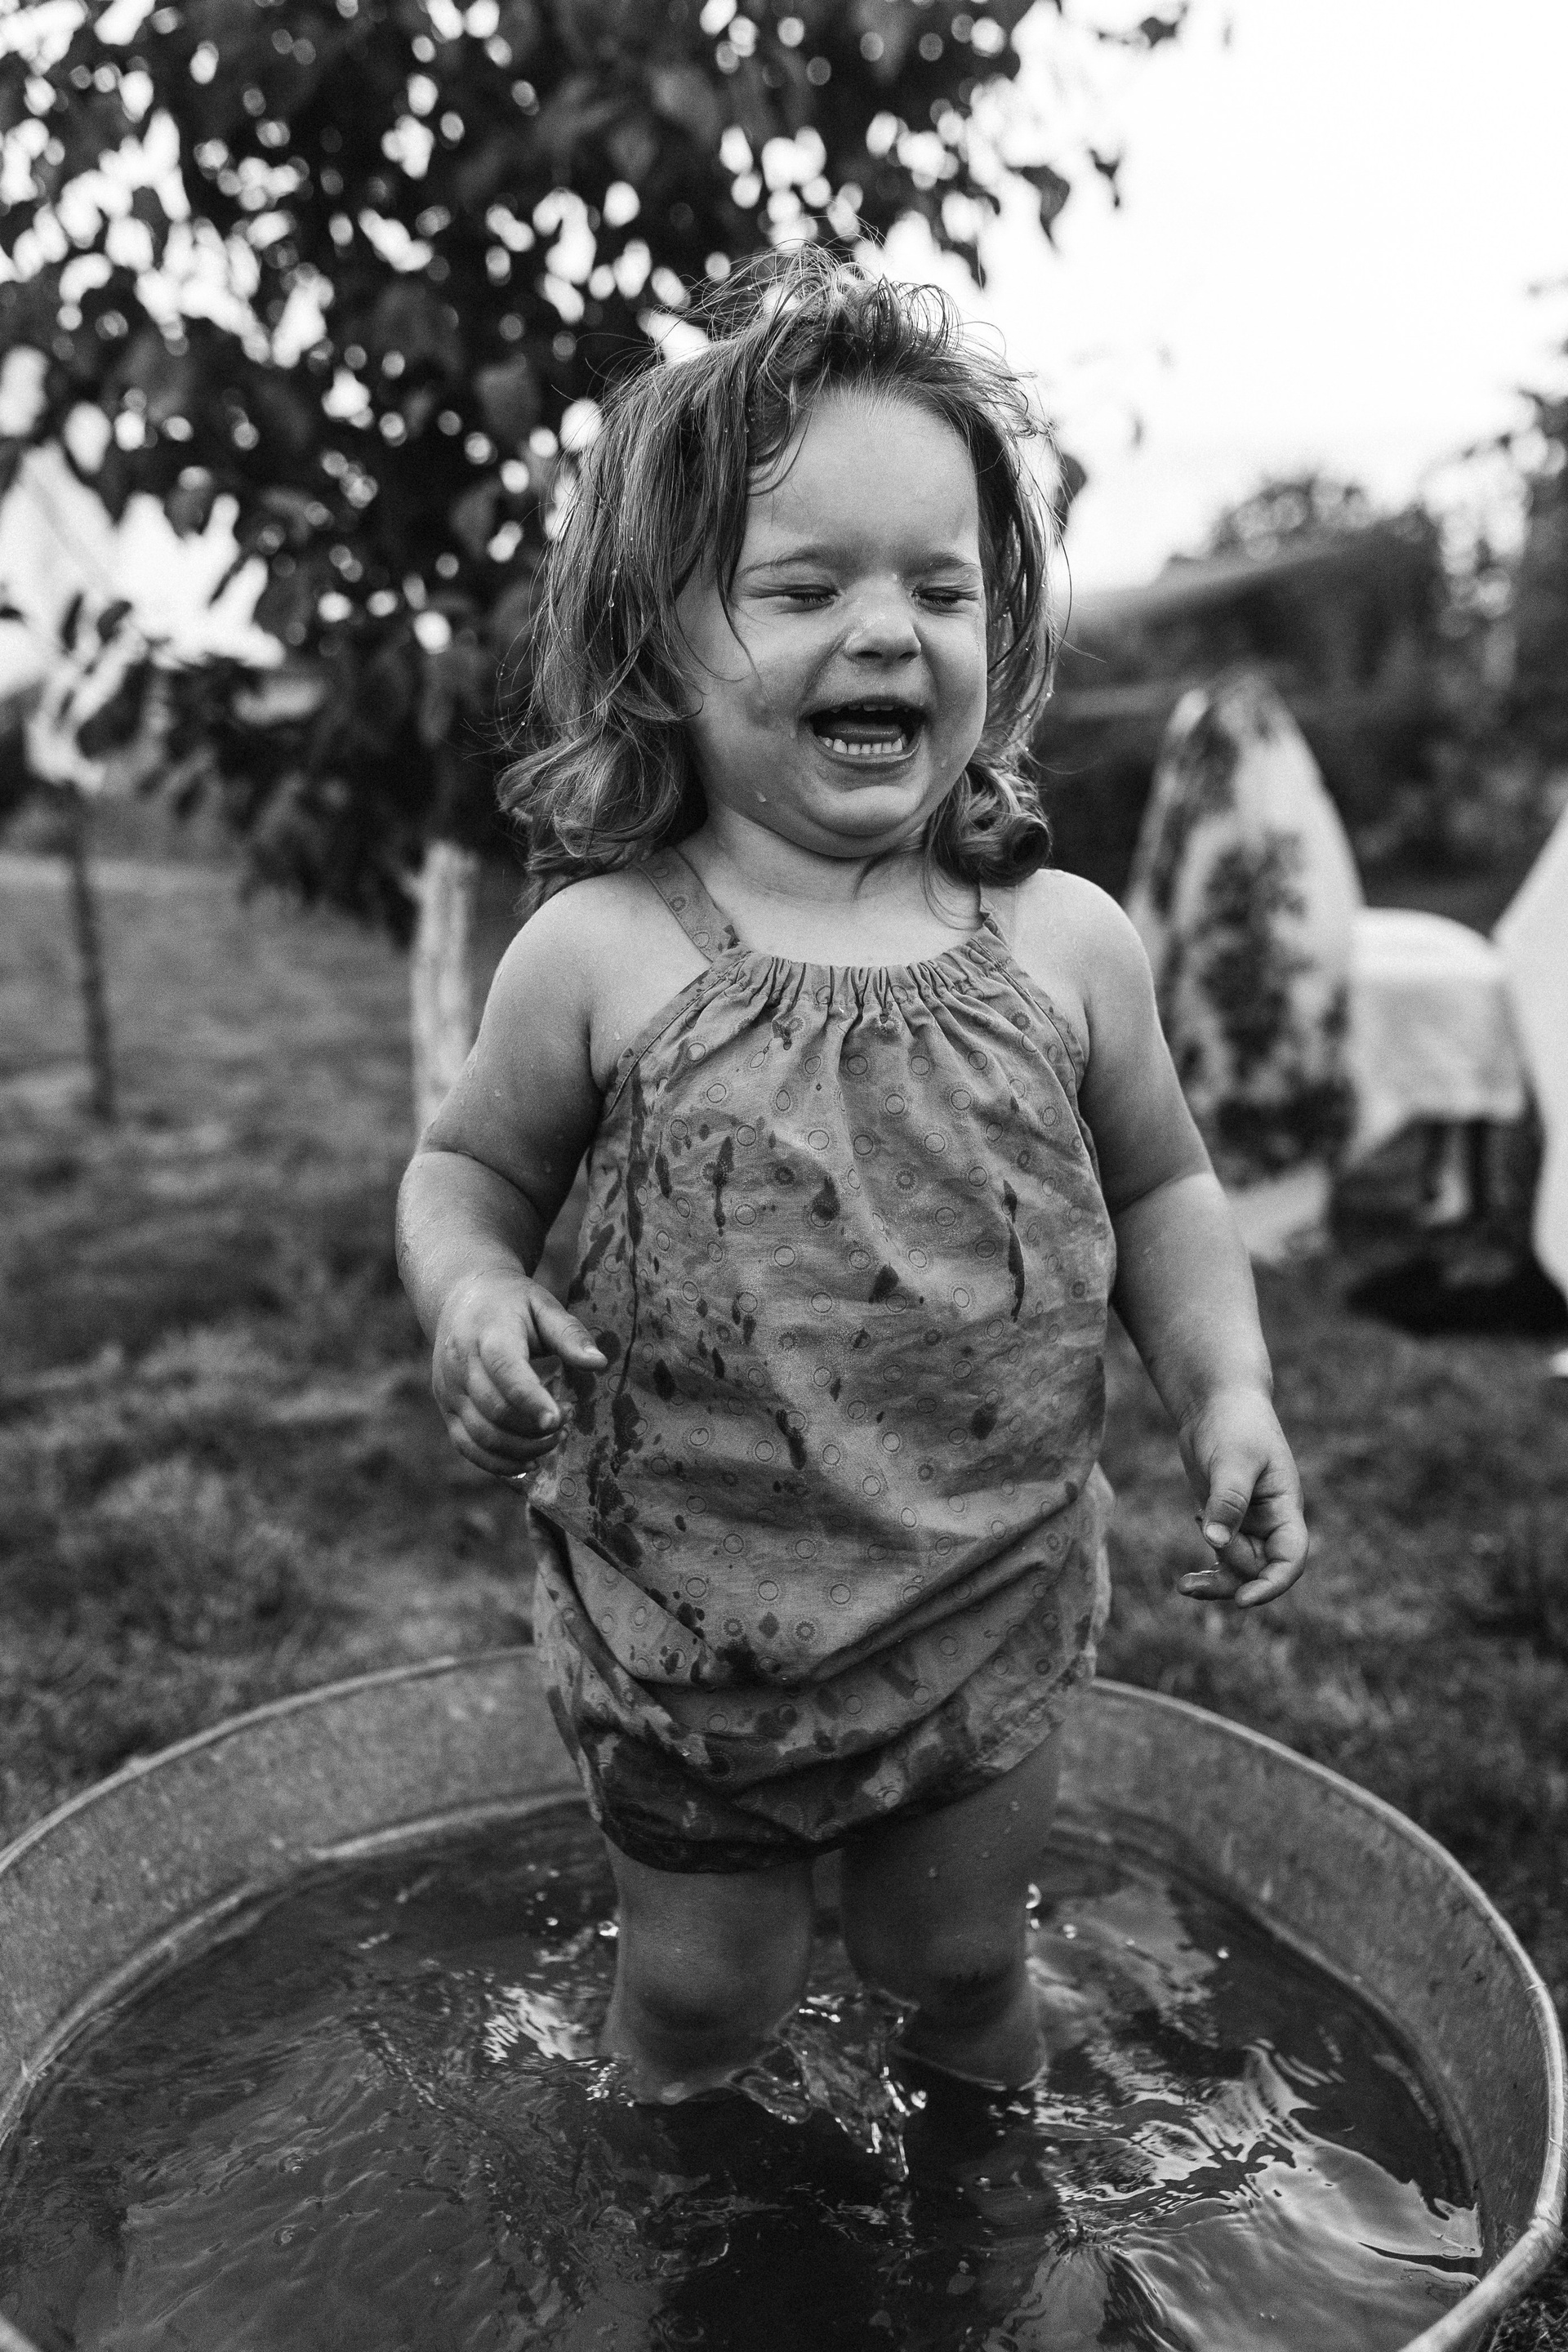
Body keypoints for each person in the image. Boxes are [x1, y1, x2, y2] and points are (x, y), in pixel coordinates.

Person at [396, 251, 1308, 2109]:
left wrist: (1225, 1392)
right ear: (660, 645)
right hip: (693, 1627)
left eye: (940, 589)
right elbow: (465, 1169)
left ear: (1003, 628)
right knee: (698, 2006)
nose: (888, 633)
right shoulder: (604, 951)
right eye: (806, 589)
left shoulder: (1064, 945)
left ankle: (983, 2219)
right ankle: (673, 2230)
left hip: (981, 1594)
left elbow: (1164, 1194)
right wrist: (475, 1290)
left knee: (960, 1968)